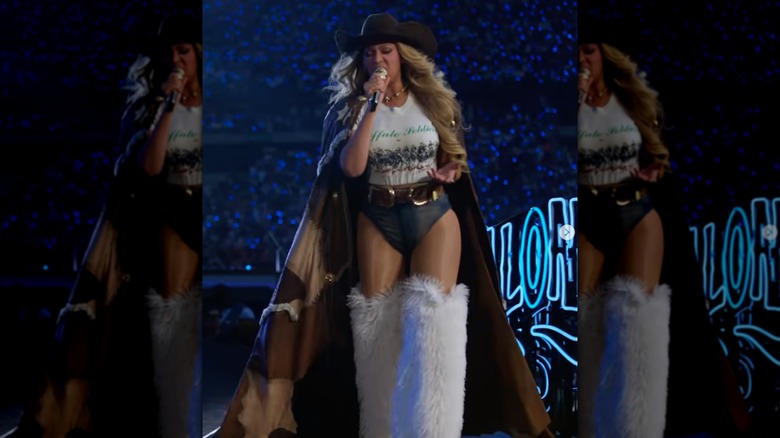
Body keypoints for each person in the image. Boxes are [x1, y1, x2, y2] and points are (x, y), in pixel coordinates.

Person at [218, 12, 553, 438]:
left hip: (432, 213)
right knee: (377, 330)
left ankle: (434, 430)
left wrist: (451, 168)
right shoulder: (352, 109)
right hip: (377, 215)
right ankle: (380, 429)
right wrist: (369, 106)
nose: (377, 58)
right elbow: (352, 166)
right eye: (370, 52)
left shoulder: (434, 100)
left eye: (385, 51)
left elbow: (454, 155)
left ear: (402, 56)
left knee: (433, 324)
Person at [13, 12, 203, 438]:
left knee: (194, 327)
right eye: (171, 51)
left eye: (184, 50)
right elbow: (148, 166)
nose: (177, 58)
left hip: (202, 214)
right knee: (168, 323)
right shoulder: (152, 107)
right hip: (167, 215)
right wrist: (168, 105)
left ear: (199, 55)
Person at [576, 19, 752, 438]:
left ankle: (639, 425)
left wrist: (656, 171)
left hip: (635, 213)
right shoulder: (573, 104)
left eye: (589, 51)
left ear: (605, 55)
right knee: (587, 318)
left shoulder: (633, 101)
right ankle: (593, 422)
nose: (581, 60)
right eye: (577, 53)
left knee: (634, 319)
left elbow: (660, 154)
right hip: (592, 213)